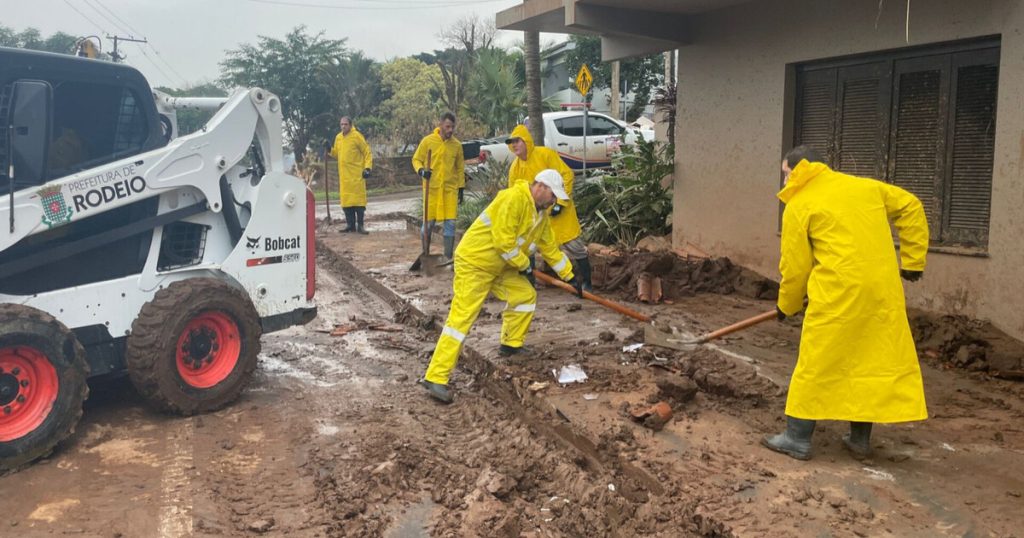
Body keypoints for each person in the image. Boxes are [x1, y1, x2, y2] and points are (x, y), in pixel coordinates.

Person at [763, 145, 929, 461]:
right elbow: (911, 206)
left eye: (786, 173)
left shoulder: (800, 204)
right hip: (881, 293)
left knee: (816, 361)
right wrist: (913, 262)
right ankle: (859, 440)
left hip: (838, 295)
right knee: (868, 357)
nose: (784, 181)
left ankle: (797, 438)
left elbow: (795, 268)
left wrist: (788, 304)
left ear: (800, 171)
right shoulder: (867, 188)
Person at [420, 169, 585, 403]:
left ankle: (511, 344)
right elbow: (503, 241)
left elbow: (549, 248)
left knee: (525, 295)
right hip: (475, 263)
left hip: (500, 265)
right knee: (461, 320)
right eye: (553, 196)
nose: (554, 202)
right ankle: (435, 377)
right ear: (541, 187)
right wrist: (524, 264)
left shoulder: (540, 215)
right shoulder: (512, 199)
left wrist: (570, 276)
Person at [505, 124, 593, 291]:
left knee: (574, 247)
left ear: (526, 141)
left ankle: (587, 282)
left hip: (559, 213)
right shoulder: (514, 168)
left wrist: (560, 203)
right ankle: (528, 284)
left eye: (517, 141)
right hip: (535, 217)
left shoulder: (545, 155)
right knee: (528, 248)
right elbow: (512, 194)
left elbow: (566, 174)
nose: (514, 145)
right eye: (512, 142)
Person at [411, 112, 465, 260]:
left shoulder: (456, 145)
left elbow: (460, 168)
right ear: (440, 124)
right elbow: (416, 159)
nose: (450, 130)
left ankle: (447, 257)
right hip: (431, 190)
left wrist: (461, 188)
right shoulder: (428, 141)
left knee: (451, 224)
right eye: (447, 126)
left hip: (449, 191)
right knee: (428, 224)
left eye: (452, 127)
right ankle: (426, 254)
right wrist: (422, 171)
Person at [326, 116, 373, 234]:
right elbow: (337, 154)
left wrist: (367, 168)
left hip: (356, 175)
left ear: (350, 125)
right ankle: (350, 225)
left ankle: (360, 225)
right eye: (341, 124)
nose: (343, 126)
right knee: (346, 203)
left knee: (359, 203)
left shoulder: (357, 136)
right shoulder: (338, 138)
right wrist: (329, 149)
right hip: (344, 177)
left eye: (345, 124)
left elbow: (367, 152)